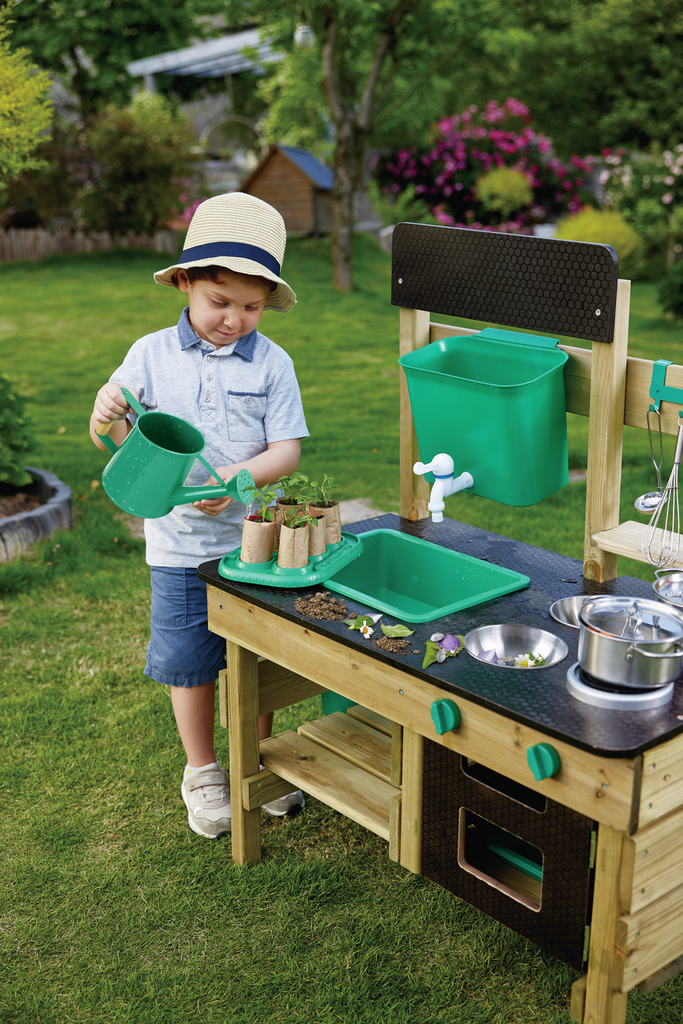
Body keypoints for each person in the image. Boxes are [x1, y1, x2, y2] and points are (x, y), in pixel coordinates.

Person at [89, 193, 308, 839]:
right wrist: (108, 409)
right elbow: (114, 434)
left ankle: (255, 759)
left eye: (251, 305)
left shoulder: (273, 364)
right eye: (220, 301)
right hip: (180, 544)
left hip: (252, 543)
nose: (234, 319)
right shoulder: (150, 354)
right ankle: (204, 771)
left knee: (258, 657)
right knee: (189, 661)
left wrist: (240, 479)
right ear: (185, 283)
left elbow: (287, 449)